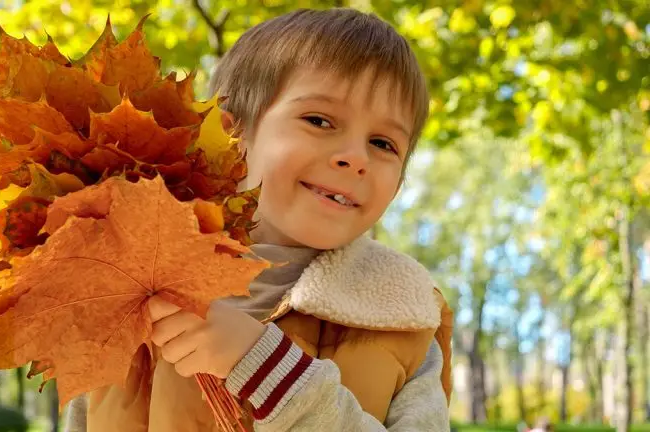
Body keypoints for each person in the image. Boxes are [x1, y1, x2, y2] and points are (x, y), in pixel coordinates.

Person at [65, 7, 454, 431]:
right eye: (320, 121)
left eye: (383, 143)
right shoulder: (132, 292)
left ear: (397, 186)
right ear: (231, 136)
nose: (356, 157)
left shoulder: (407, 318)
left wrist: (269, 368)